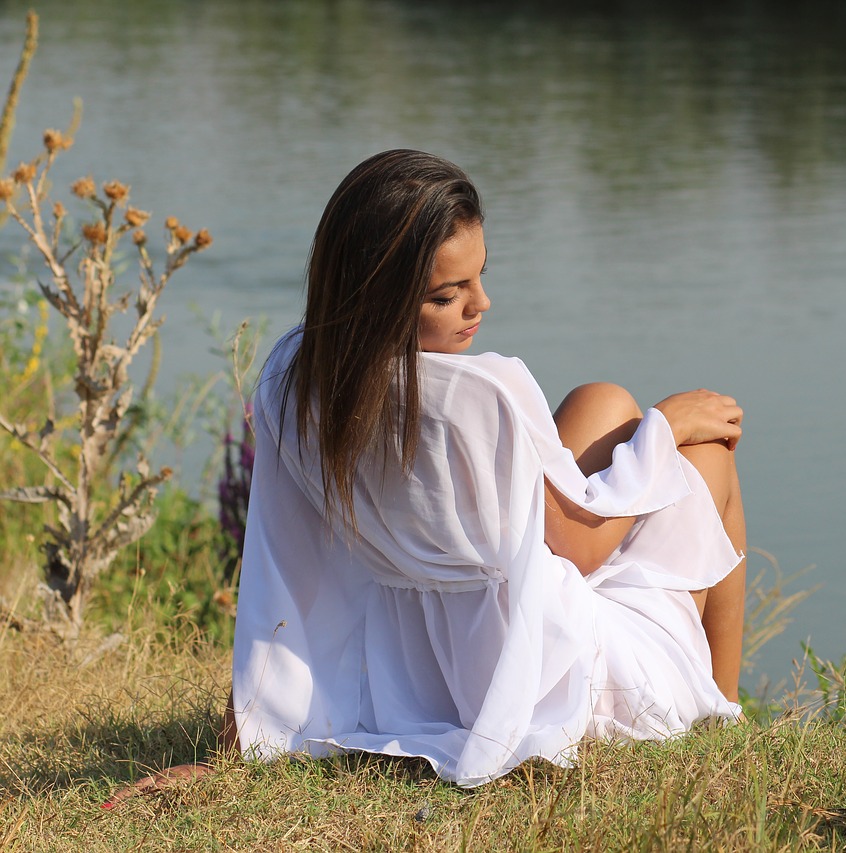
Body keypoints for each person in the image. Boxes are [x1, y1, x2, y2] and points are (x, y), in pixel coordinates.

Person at [108, 149, 746, 799]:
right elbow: (576, 548)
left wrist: (249, 729)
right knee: (708, 448)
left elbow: (282, 561)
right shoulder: (489, 390)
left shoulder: (293, 376)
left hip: (405, 675)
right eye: (448, 295)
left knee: (603, 401)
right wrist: (665, 428)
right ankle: (722, 703)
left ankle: (718, 695)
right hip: (537, 674)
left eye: (479, 278)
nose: (481, 304)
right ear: (378, 298)